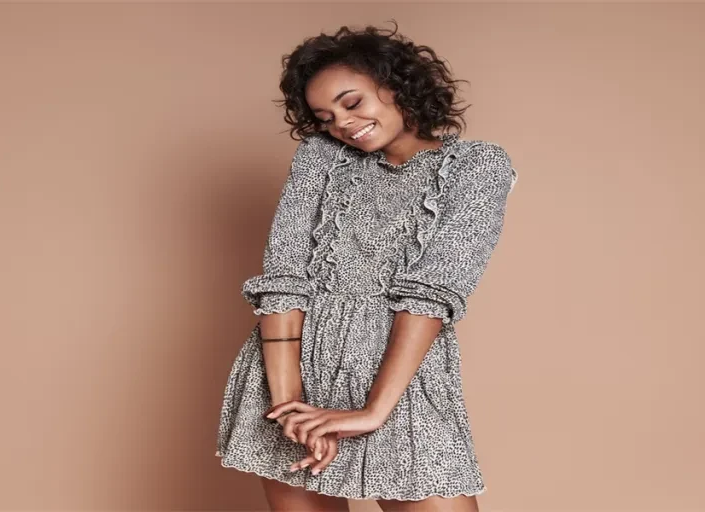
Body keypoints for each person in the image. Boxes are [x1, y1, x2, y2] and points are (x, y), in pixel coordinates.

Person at [215, 22, 518, 512]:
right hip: (292, 368)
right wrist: (292, 409)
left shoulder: (478, 167)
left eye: (352, 102)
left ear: (396, 84)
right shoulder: (320, 158)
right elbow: (284, 280)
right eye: (326, 116)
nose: (342, 123)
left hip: (397, 376)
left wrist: (374, 411)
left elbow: (433, 290)